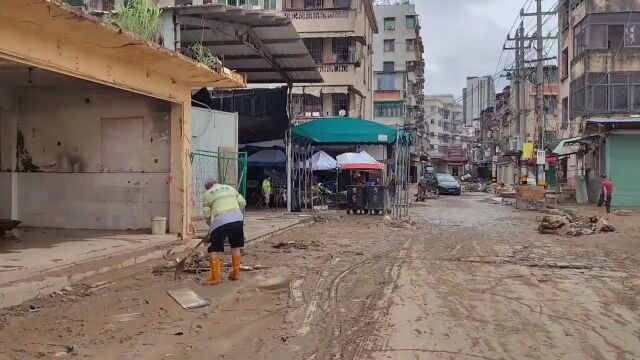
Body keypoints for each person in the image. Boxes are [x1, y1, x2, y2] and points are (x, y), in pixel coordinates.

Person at [202, 178, 246, 285]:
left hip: (220, 221)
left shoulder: (207, 194)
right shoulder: (230, 188)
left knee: (214, 249)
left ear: (208, 187)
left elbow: (207, 214)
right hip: (237, 219)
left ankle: (215, 278)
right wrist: (235, 212)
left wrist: (211, 225)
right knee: (235, 247)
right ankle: (236, 274)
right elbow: (243, 202)